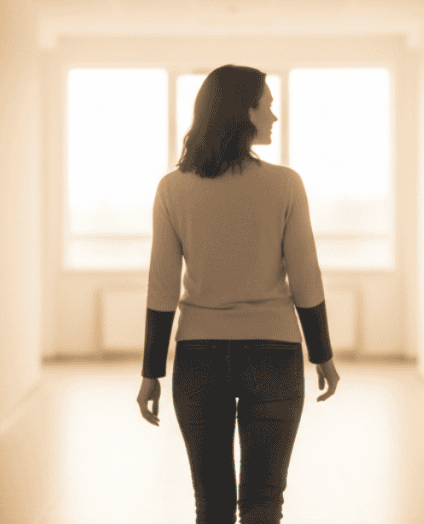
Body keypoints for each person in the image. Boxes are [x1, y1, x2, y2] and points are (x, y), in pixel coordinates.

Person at [135, 64, 341, 524]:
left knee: (211, 506)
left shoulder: (173, 189)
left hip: (198, 356)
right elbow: (307, 277)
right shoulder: (286, 184)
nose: (273, 116)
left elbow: (162, 287)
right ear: (244, 111)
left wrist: (152, 371)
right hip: (274, 354)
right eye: (267, 105)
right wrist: (322, 353)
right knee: (264, 504)